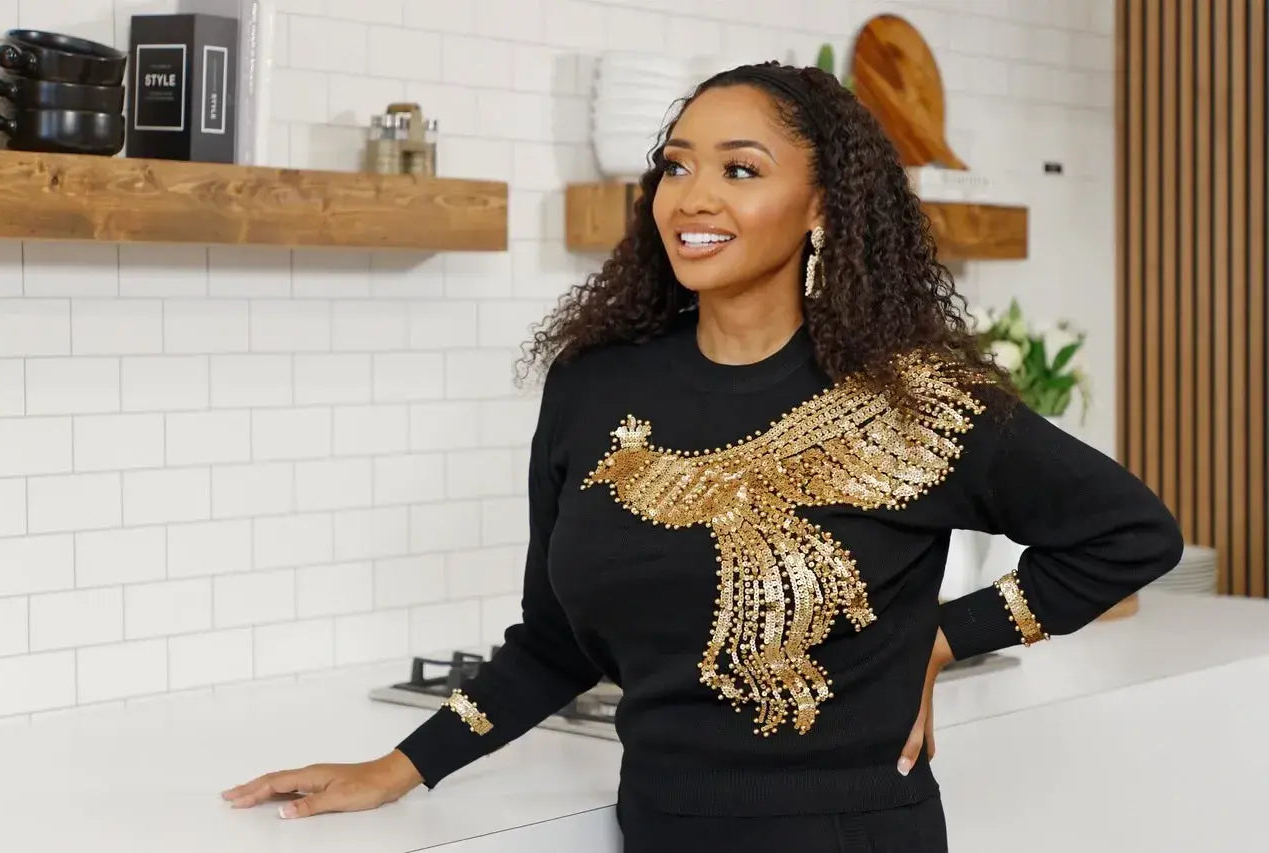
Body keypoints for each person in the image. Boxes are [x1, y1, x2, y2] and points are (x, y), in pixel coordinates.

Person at [221, 62, 1184, 851]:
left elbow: (1129, 535)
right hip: (663, 826)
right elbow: (554, 643)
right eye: (676, 166)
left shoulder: (907, 395)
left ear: (821, 205)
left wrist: (939, 638)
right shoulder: (593, 386)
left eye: (741, 169)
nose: (694, 196)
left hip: (853, 833)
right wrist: (400, 766)